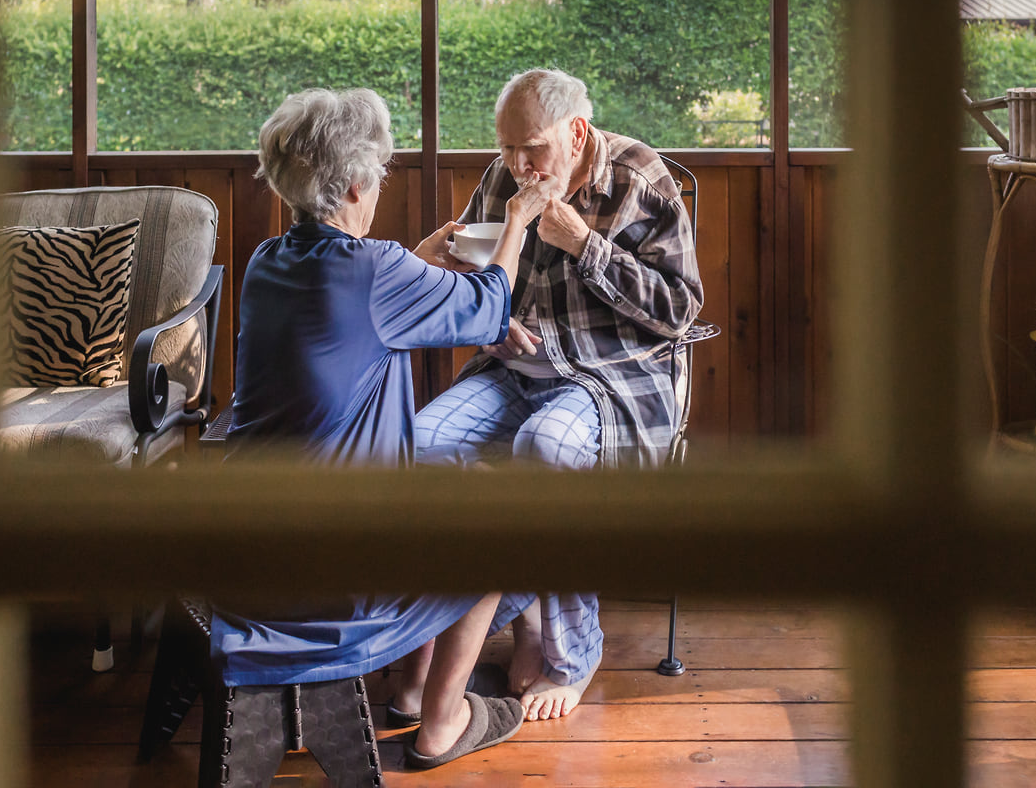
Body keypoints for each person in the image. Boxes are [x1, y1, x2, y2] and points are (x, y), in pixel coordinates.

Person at [211, 87, 544, 770]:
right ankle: (444, 720)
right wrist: (519, 219)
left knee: (445, 480)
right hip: (334, 569)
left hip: (244, 540)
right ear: (359, 181)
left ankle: (415, 691)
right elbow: (489, 305)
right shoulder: (375, 272)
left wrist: (418, 257)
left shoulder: (268, 262)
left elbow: (368, 298)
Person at [415, 69, 705, 721]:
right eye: (506, 147)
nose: (518, 164)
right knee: (421, 445)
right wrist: (493, 323)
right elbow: (481, 282)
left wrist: (584, 245)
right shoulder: (502, 178)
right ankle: (523, 616)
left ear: (576, 132)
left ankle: (572, 654)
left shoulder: (639, 177)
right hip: (516, 370)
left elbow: (681, 310)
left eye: (532, 149)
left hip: (617, 376)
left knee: (544, 449)